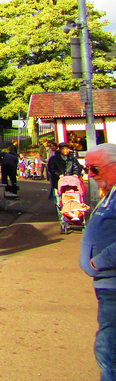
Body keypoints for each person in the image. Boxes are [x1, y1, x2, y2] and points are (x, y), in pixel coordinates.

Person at [78, 144, 116, 379]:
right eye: (86, 168)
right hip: (107, 284)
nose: (90, 174)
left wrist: (97, 262)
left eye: (94, 168)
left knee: (108, 348)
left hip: (112, 285)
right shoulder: (111, 191)